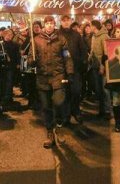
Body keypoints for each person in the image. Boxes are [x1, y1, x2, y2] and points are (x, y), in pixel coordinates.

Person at [30, 16, 73, 148]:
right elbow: (32, 59)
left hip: (58, 76)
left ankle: (59, 126)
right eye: (47, 23)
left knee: (59, 102)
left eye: (51, 23)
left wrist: (70, 72)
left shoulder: (61, 39)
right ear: (44, 25)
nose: (49, 25)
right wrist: (31, 60)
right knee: (46, 107)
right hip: (43, 78)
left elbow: (67, 57)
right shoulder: (36, 40)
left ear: (55, 25)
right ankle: (50, 132)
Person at [59, 15, 87, 126]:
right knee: (65, 93)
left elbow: (83, 50)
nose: (66, 22)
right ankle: (66, 115)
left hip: (75, 69)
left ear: (71, 21)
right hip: (62, 70)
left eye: (68, 20)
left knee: (76, 91)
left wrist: (82, 62)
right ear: (61, 22)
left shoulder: (76, 35)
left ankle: (75, 111)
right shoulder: (57, 35)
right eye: (63, 20)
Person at [90, 20, 111, 119]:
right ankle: (101, 110)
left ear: (94, 26)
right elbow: (92, 50)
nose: (89, 28)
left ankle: (107, 111)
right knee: (98, 90)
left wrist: (103, 67)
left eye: (90, 26)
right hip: (94, 66)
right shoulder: (94, 36)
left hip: (103, 67)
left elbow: (106, 53)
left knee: (105, 89)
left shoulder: (104, 36)